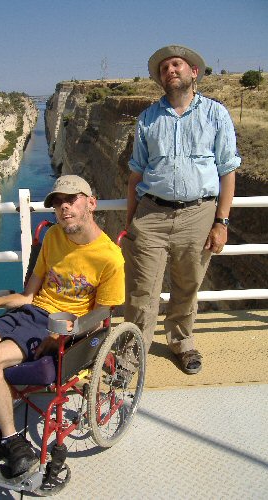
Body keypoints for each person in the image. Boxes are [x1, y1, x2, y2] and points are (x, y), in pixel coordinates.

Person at [0, 174, 125, 476]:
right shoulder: (52, 237)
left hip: (56, 325)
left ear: (91, 203)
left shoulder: (110, 258)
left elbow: (102, 311)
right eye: (58, 202)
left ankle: (12, 441)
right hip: (31, 313)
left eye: (71, 199)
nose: (64, 208)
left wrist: (71, 329)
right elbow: (27, 296)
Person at [122, 45, 241, 374]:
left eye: (176, 65)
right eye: (163, 69)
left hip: (198, 214)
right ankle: (134, 350)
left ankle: (181, 341)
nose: (170, 71)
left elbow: (227, 170)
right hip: (151, 214)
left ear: (193, 72)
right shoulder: (148, 118)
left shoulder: (215, 114)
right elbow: (136, 174)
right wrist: (131, 220)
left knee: (188, 284)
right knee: (141, 288)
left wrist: (222, 222)